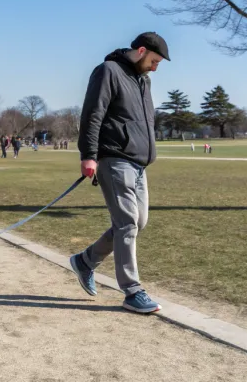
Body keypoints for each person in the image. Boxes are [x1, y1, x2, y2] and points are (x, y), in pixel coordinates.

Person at [69, 31, 169, 314]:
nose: (155, 66)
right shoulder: (108, 71)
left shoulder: (143, 80)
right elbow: (93, 114)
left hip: (139, 164)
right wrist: (89, 154)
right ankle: (132, 291)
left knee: (139, 222)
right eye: (154, 60)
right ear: (140, 51)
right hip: (114, 158)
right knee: (127, 222)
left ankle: (85, 261)